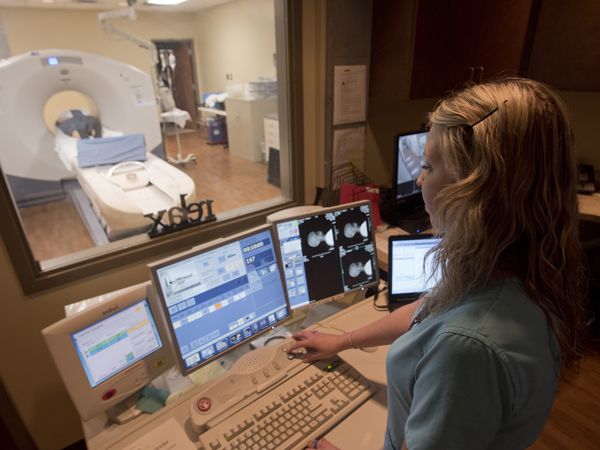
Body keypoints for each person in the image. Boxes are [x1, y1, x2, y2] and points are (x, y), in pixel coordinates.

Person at [287, 78, 592, 450]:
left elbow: (450, 332)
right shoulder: (526, 269)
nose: (418, 179)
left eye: (429, 167)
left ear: (474, 191)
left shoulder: (467, 349)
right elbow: (426, 311)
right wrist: (342, 340)